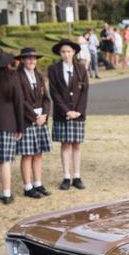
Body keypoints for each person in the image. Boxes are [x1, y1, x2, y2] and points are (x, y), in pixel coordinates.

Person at [48, 38, 89, 190]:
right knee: (65, 144)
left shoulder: (81, 69)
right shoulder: (54, 69)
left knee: (77, 145)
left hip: (78, 113)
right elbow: (54, 93)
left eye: (69, 51)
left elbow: (85, 92)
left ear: (74, 53)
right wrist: (67, 111)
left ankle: (77, 176)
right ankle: (66, 176)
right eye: (63, 52)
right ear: (60, 53)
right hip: (62, 114)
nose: (66, 54)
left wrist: (78, 111)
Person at [0, 46, 24, 205]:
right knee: (5, 161)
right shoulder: (12, 76)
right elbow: (18, 103)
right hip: (6, 122)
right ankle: (7, 194)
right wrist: (20, 127)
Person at [15, 48, 52, 198]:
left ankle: (38, 183)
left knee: (38, 153)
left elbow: (46, 98)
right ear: (22, 60)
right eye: (28, 58)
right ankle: (28, 187)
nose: (32, 61)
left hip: (41, 119)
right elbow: (20, 100)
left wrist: (44, 115)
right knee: (28, 154)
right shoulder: (17, 77)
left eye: (34, 58)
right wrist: (34, 117)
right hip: (27, 119)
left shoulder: (39, 75)